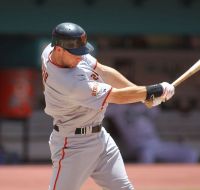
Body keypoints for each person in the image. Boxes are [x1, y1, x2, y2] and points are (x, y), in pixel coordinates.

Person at [41, 22, 175, 190]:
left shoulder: (51, 50)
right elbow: (116, 96)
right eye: (76, 53)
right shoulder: (69, 83)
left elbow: (104, 71)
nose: (80, 57)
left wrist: (142, 95)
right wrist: (154, 90)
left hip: (100, 138)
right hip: (73, 145)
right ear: (59, 49)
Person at [105, 103, 199, 163]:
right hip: (138, 147)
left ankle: (179, 182)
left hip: (156, 144)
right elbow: (100, 108)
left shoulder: (146, 104)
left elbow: (160, 104)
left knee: (191, 153)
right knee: (147, 154)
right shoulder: (117, 108)